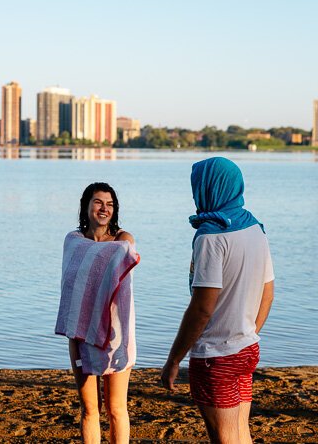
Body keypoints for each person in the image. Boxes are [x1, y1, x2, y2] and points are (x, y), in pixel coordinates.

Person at [161, 157, 275, 444]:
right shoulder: (255, 228)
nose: (194, 194)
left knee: (224, 438)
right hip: (247, 349)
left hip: (216, 355)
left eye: (196, 186)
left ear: (208, 188)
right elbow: (268, 292)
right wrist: (247, 334)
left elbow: (202, 307)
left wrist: (174, 359)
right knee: (240, 432)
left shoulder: (210, 236)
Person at [55, 182, 140, 443]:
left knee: (116, 408)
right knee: (90, 409)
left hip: (116, 335)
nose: (104, 209)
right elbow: (71, 287)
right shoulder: (73, 242)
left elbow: (124, 254)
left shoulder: (123, 240)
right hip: (81, 333)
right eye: (98, 202)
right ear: (87, 206)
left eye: (110, 204)